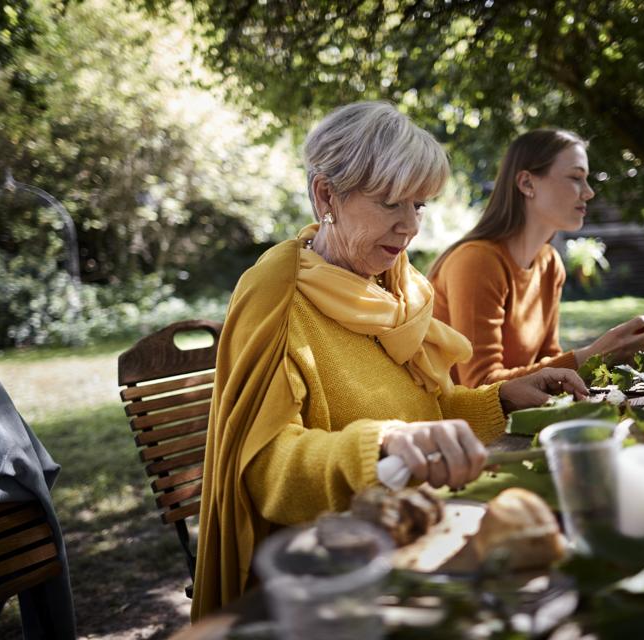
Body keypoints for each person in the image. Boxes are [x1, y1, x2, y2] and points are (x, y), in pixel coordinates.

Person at [191, 103, 588, 620]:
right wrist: (382, 443)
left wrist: (501, 397)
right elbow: (268, 470)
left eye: (419, 205)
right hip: (334, 580)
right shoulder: (277, 295)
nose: (409, 227)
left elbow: (429, 409)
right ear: (326, 195)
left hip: (416, 536)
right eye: (389, 203)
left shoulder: (397, 282)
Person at [428, 129, 644, 387]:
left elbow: (547, 359)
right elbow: (482, 385)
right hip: (456, 424)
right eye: (575, 177)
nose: (589, 192)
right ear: (527, 183)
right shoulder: (476, 262)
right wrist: (591, 356)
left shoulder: (549, 263)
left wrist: (605, 360)